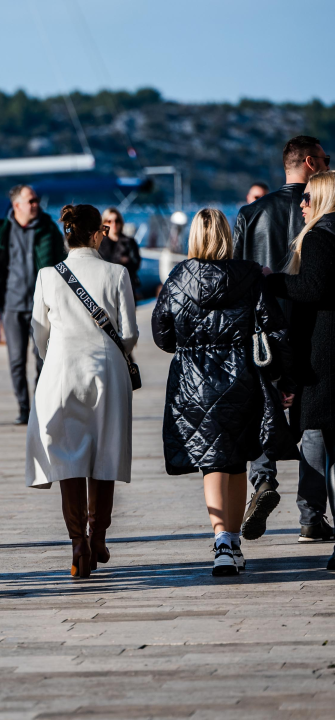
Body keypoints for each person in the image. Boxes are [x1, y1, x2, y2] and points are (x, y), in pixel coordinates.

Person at [153, 209, 293, 576]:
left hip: (193, 383)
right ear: (227, 235)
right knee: (235, 461)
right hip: (241, 378)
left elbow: (162, 335)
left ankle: (221, 544)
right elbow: (272, 325)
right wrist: (283, 377)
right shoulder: (248, 274)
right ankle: (232, 541)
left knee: (211, 462)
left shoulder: (179, 277)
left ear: (195, 237)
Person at [26, 204, 138, 579]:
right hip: (106, 370)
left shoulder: (47, 275)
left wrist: (55, 355)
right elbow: (130, 334)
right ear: (97, 234)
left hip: (61, 371)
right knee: (104, 455)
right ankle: (99, 537)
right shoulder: (117, 273)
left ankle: (77, 542)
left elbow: (38, 331)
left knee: (69, 458)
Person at [233, 136, 332, 542]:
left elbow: (240, 275)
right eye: (325, 159)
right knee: (313, 424)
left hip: (262, 328)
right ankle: (311, 514)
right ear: (310, 162)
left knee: (261, 408)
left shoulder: (252, 212)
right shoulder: (323, 214)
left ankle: (262, 481)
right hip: (310, 328)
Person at [265, 170, 335, 570]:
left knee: (328, 443)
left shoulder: (321, 236)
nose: (301, 203)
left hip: (325, 356)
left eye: (307, 197)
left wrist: (272, 281)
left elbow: (313, 289)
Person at [0, 185, 67, 425]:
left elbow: (62, 264)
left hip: (43, 305)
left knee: (43, 358)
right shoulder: (3, 229)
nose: (35, 204)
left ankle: (40, 407)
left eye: (36, 200)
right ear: (17, 205)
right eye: (31, 201)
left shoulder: (48, 228)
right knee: (16, 361)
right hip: (11, 304)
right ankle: (23, 407)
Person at [98, 207, 142, 297]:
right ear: (104, 223)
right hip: (105, 287)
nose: (113, 224)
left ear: (121, 222)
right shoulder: (99, 243)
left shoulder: (130, 242)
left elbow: (136, 263)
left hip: (126, 286)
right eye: (109, 221)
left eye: (117, 221)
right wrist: (121, 260)